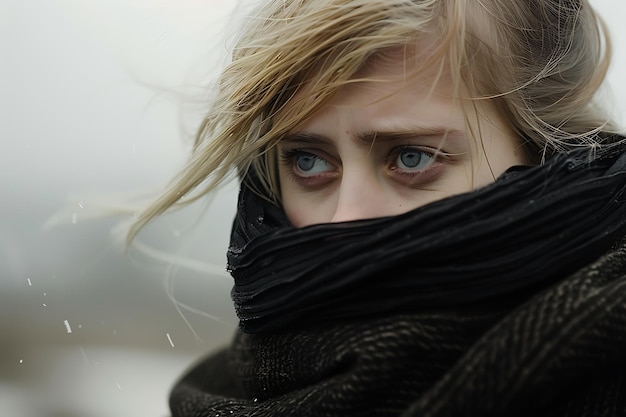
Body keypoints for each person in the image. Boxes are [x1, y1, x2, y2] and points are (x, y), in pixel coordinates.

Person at [130, 0, 626, 415]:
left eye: (411, 158)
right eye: (308, 162)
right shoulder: (233, 391)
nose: (347, 219)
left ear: (550, 156)